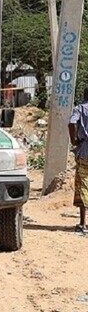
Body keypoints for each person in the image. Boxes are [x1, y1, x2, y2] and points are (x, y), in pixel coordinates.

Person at [69, 87, 88, 233]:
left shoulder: (80, 109)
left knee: (83, 186)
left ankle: (83, 224)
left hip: (84, 152)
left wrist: (74, 140)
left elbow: (71, 123)